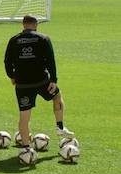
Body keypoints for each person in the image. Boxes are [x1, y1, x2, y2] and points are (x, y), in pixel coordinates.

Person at [5, 15, 72, 146]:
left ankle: (25, 148)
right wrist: (53, 79)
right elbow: (50, 60)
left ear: (23, 25)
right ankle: (60, 127)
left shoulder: (14, 40)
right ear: (36, 25)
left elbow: (7, 61)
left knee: (24, 116)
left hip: (23, 84)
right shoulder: (43, 38)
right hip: (42, 81)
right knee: (57, 96)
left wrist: (12, 76)